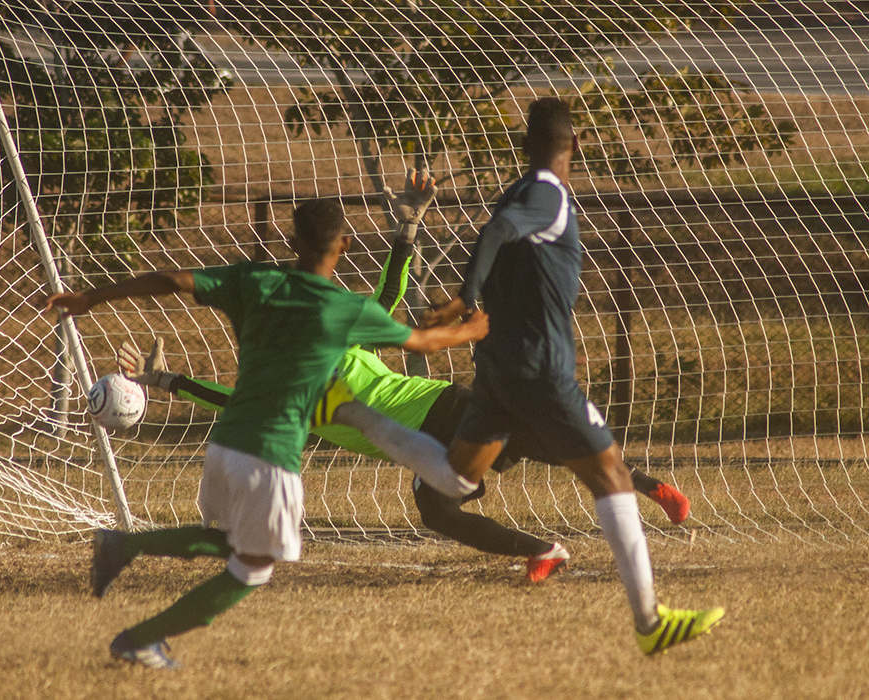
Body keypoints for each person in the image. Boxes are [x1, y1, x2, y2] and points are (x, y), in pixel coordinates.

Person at [335, 98, 724, 654]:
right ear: (579, 146)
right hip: (541, 369)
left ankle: (364, 421)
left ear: (523, 146)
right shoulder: (548, 194)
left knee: (450, 484)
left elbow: (495, 233)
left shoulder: (516, 190)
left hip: (494, 372)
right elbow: (498, 232)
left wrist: (470, 295)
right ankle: (650, 623)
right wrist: (468, 296)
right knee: (608, 474)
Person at [40, 186, 488, 669]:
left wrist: (91, 296)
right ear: (345, 246)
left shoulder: (252, 281)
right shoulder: (344, 311)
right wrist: (471, 329)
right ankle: (140, 634)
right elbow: (422, 342)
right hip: (270, 456)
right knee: (253, 569)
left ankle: (124, 546)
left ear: (292, 243)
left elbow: (172, 279)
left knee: (238, 545)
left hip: (225, 445)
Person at [117, 213, 690, 582]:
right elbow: (232, 400)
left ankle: (587, 526)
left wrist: (407, 234)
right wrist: (166, 382)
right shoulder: (295, 363)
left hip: (440, 411)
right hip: (434, 420)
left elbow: (387, 294)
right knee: (541, 451)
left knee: (516, 464)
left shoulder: (314, 343)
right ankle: (595, 523)